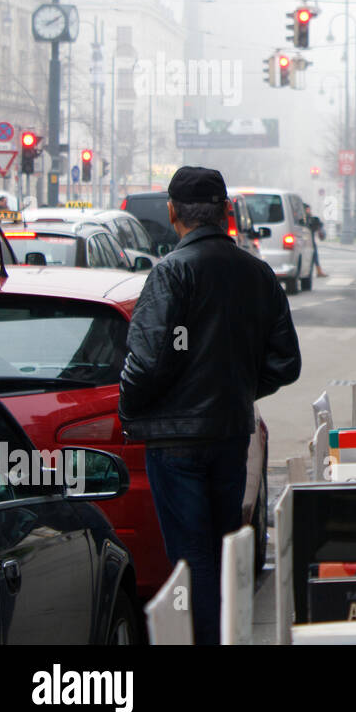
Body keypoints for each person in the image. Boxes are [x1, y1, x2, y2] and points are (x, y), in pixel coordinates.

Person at [118, 166, 301, 645]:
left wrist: (130, 408)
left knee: (190, 557)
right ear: (225, 212)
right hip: (226, 433)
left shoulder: (171, 272)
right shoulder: (257, 274)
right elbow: (285, 363)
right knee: (222, 551)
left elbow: (148, 361)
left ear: (173, 213)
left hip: (175, 440)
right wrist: (233, 388)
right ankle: (224, 633)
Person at [305, 204, 327, 278]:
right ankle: (318, 271)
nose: (309, 211)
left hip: (309, 239)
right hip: (306, 240)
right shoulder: (306, 218)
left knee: (314, 255)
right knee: (313, 255)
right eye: (307, 209)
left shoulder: (308, 218)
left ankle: (318, 271)